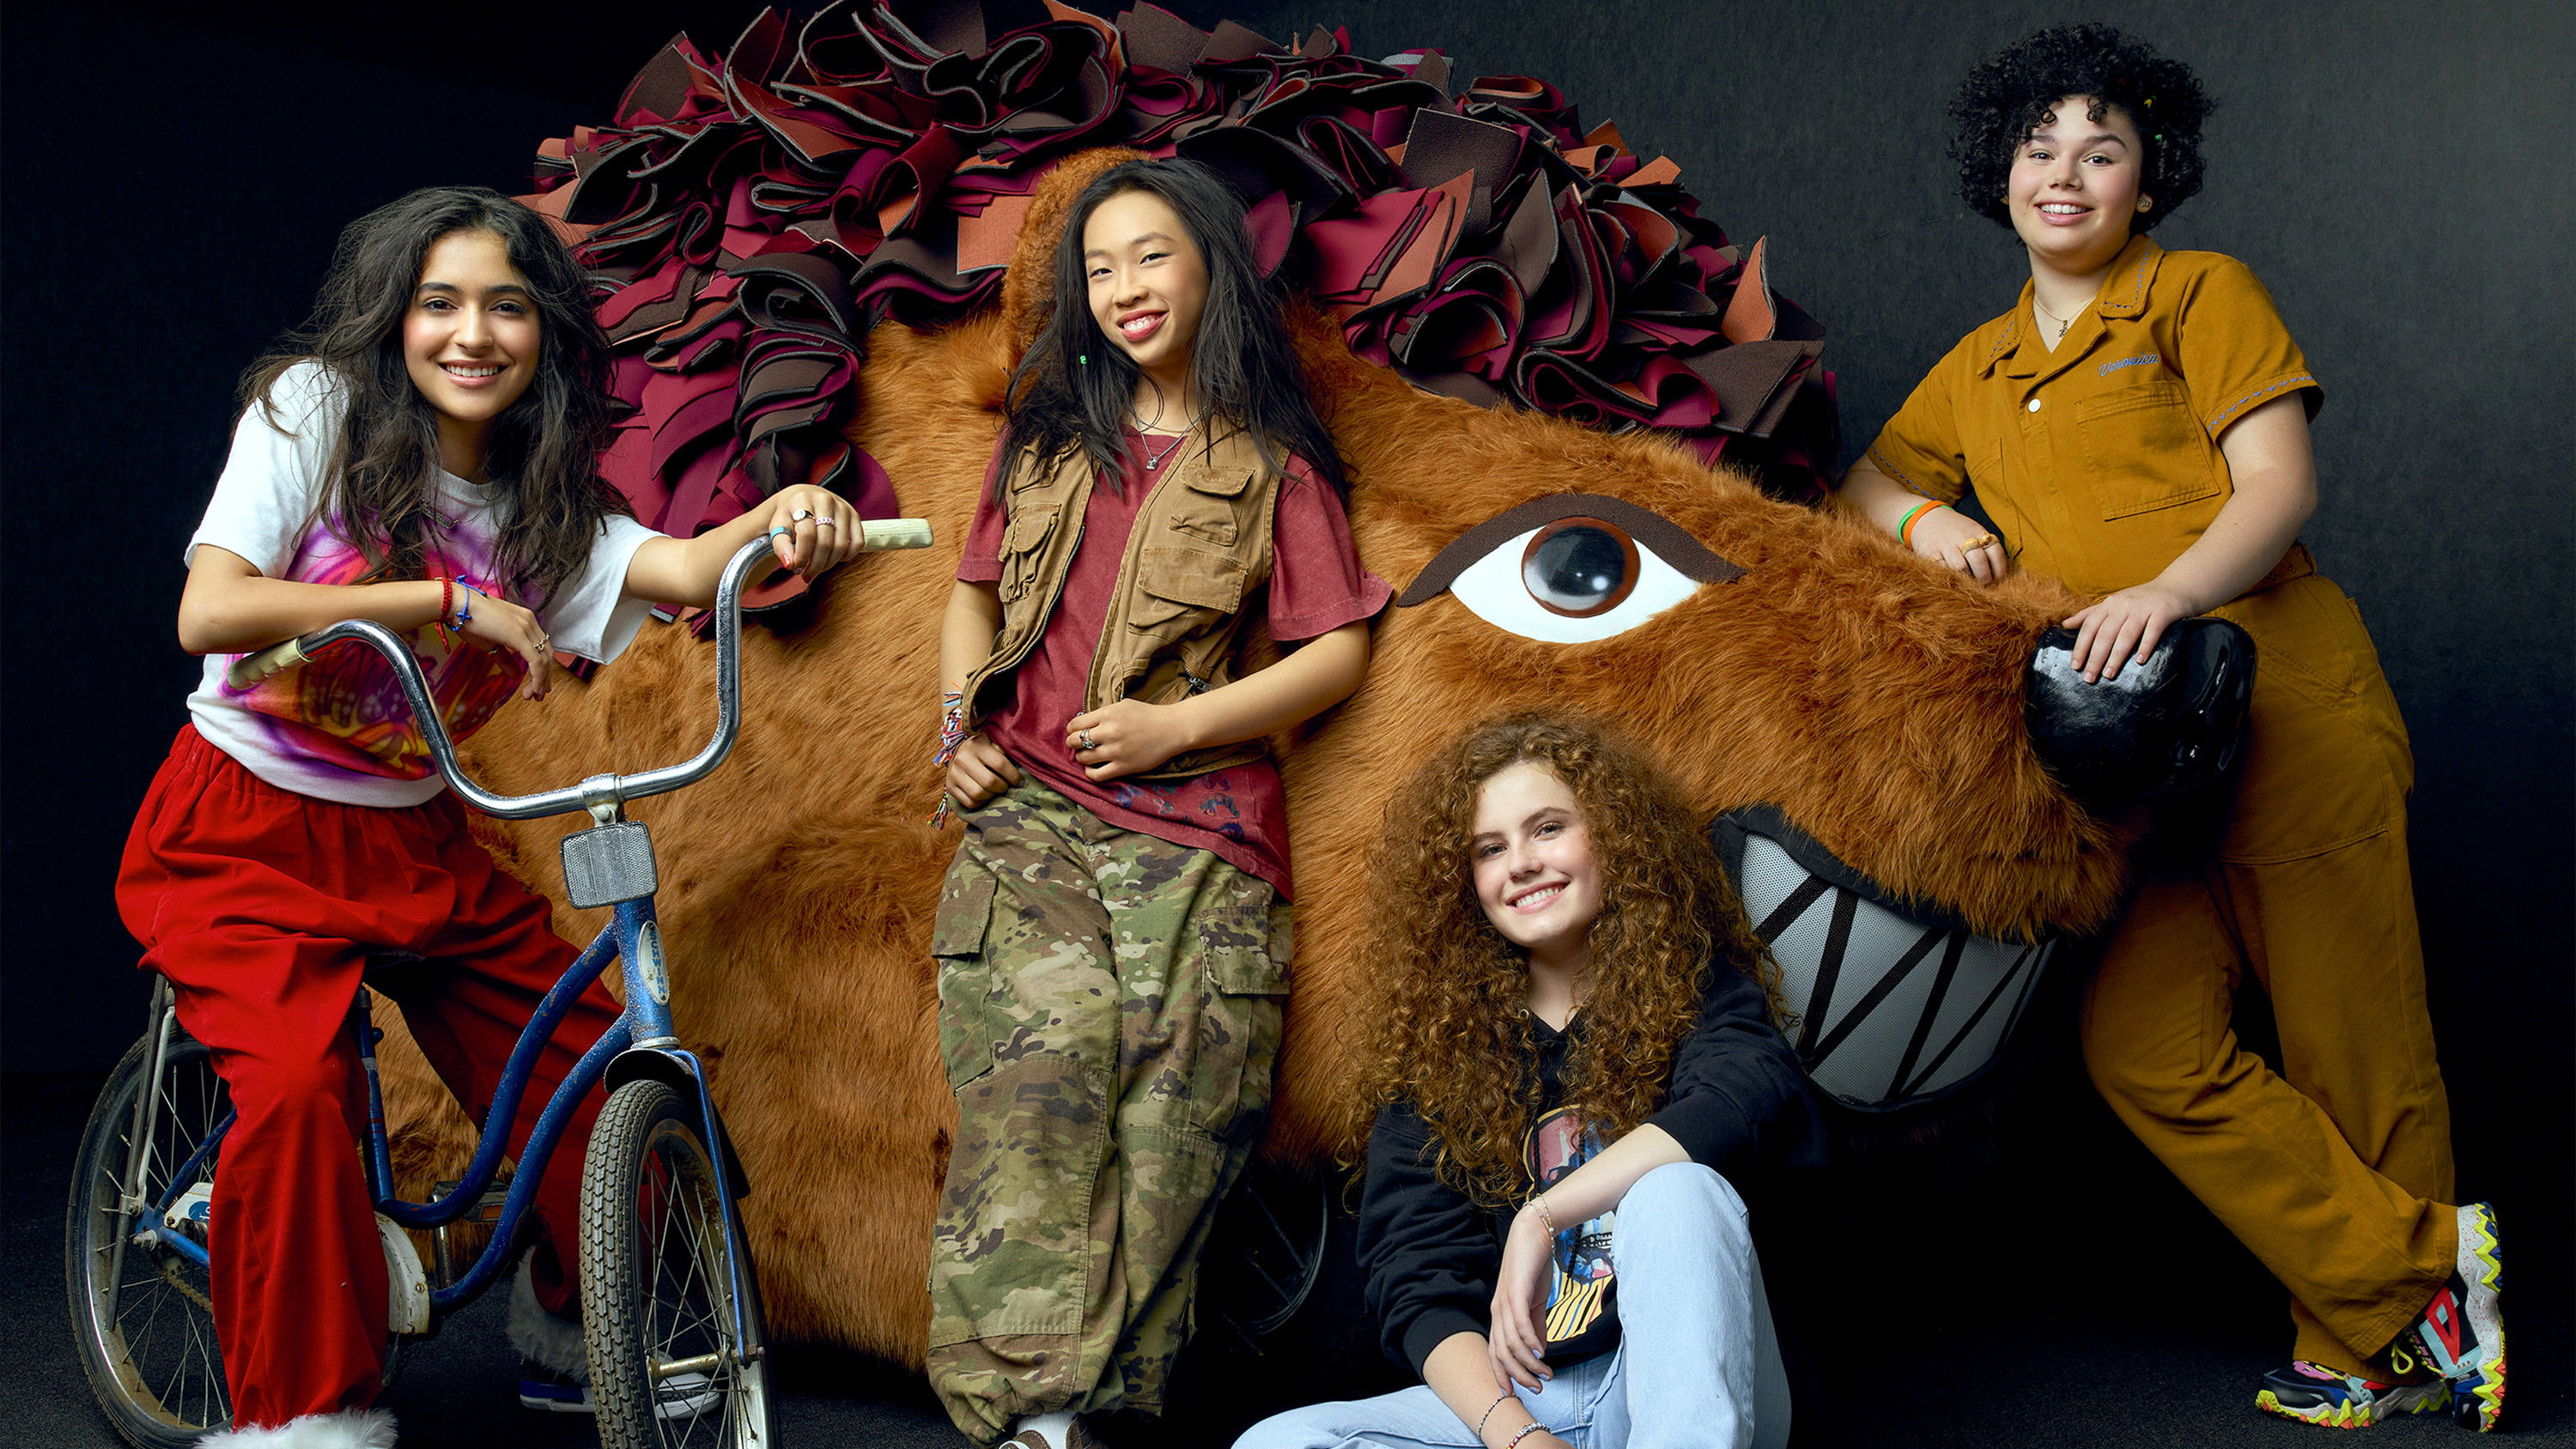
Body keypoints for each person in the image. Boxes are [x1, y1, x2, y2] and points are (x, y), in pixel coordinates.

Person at [119, 185, 868, 1449]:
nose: (473, 335)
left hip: (414, 839)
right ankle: (303, 1418)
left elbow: (685, 567)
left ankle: (581, 1331)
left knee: (590, 1059)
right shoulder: (315, 411)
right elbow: (213, 612)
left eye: (507, 308)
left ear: (545, 336)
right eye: (441, 303)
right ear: (394, 318)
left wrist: (789, 516)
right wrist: (440, 603)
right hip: (242, 827)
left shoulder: (541, 508)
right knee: (296, 1097)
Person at [1835, 25, 2502, 1433]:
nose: (2065, 174)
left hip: (2287, 704)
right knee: (2143, 1050)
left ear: (2148, 180)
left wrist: (2171, 590)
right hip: (2137, 758)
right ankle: (2422, 1276)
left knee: (2352, 1041)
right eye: (2039, 149)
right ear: (2001, 174)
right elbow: (1866, 486)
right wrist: (1925, 520)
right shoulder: (1981, 363)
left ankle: (2371, 1351)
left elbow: (2281, 483)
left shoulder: (2200, 293)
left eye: (2102, 151)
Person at [928, 156, 1388, 1449]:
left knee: (1176, 1115)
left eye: (1150, 256)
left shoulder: (1274, 462)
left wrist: (1178, 726)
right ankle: (1029, 1413)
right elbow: (970, 595)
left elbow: (1339, 650)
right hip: (1033, 816)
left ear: (1210, 269)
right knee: (1046, 1064)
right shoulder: (1045, 436)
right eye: (1099, 267)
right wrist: (958, 726)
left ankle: (1088, 1417)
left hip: (1203, 834)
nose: (1124, 286)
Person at [1237, 713, 1822, 1449]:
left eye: (1547, 829)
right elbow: (1417, 1285)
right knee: (1278, 1443)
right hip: (1527, 1403)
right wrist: (1519, 1438)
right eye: (1490, 848)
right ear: (1465, 883)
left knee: (1677, 1190)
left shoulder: (1698, 991)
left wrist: (1541, 1216)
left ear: (1613, 836)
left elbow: (1740, 1102)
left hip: (1690, 1384)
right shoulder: (1436, 1054)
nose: (1520, 863)